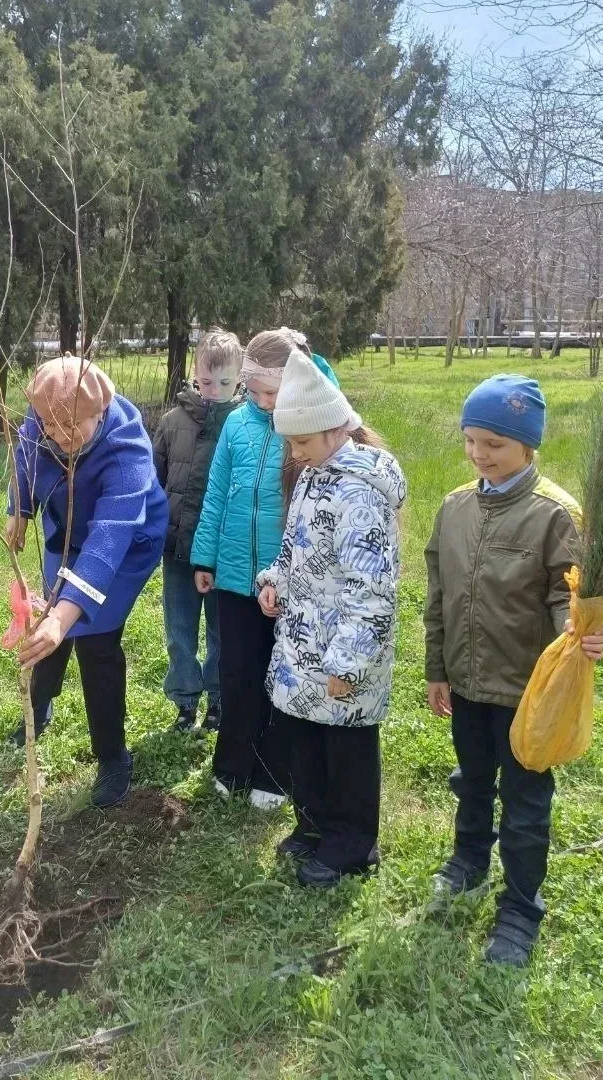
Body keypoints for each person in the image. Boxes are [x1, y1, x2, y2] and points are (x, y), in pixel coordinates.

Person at [425, 374, 603, 966]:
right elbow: (439, 597)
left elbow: (567, 596)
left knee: (526, 800)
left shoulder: (555, 516)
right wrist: (437, 669)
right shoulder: (454, 509)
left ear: (529, 445)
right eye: (471, 441)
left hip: (528, 691)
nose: (480, 455)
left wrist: (579, 639)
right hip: (468, 683)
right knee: (472, 781)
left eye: (494, 444)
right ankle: (468, 859)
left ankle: (521, 909)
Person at [257, 350, 405, 887]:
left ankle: (351, 845)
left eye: (300, 442)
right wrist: (274, 579)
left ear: (332, 429)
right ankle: (314, 825)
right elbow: (298, 551)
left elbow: (372, 590)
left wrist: (348, 663)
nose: (293, 454)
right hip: (303, 646)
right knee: (307, 746)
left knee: (346, 755)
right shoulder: (315, 476)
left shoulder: (361, 494)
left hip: (343, 655)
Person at [5, 355, 168, 808]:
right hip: (68, 531)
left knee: (92, 638)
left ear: (101, 411)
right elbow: (25, 452)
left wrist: (66, 613)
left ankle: (113, 757)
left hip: (124, 545)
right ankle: (39, 705)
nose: (58, 438)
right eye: (50, 428)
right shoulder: (45, 420)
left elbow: (108, 541)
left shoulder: (127, 451)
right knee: (51, 622)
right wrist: (18, 506)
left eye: (70, 428)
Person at [190, 328, 339, 807]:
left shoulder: (307, 427)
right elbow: (215, 493)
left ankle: (272, 775)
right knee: (237, 672)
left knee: (282, 676)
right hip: (234, 577)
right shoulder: (237, 424)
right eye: (252, 391)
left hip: (286, 582)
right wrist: (204, 556)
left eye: (269, 392)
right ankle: (232, 765)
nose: (260, 400)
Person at [153, 329, 244, 733]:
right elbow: (153, 481)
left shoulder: (245, 424)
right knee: (179, 630)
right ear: (194, 373)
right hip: (177, 549)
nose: (214, 391)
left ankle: (220, 703)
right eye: (206, 382)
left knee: (221, 633)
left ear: (240, 378)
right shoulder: (172, 422)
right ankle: (185, 703)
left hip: (225, 553)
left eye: (224, 383)